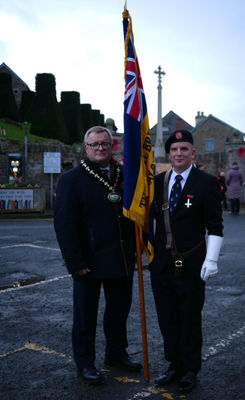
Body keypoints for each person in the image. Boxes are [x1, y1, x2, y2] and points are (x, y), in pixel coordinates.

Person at [54, 126, 141, 385]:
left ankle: (116, 355)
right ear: (86, 148)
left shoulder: (124, 174)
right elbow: (64, 225)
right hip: (88, 262)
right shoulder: (71, 179)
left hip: (121, 258)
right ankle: (85, 363)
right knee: (85, 317)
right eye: (95, 144)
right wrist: (74, 263)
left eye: (105, 143)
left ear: (112, 145)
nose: (100, 148)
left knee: (118, 314)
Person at [149, 130, 223, 393]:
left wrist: (212, 260)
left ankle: (190, 369)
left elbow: (215, 225)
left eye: (184, 149)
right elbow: (149, 221)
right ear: (168, 154)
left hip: (191, 264)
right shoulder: (157, 182)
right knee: (167, 317)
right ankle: (174, 365)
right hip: (161, 264)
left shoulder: (206, 182)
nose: (179, 154)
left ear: (193, 152)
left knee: (190, 317)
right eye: (174, 150)